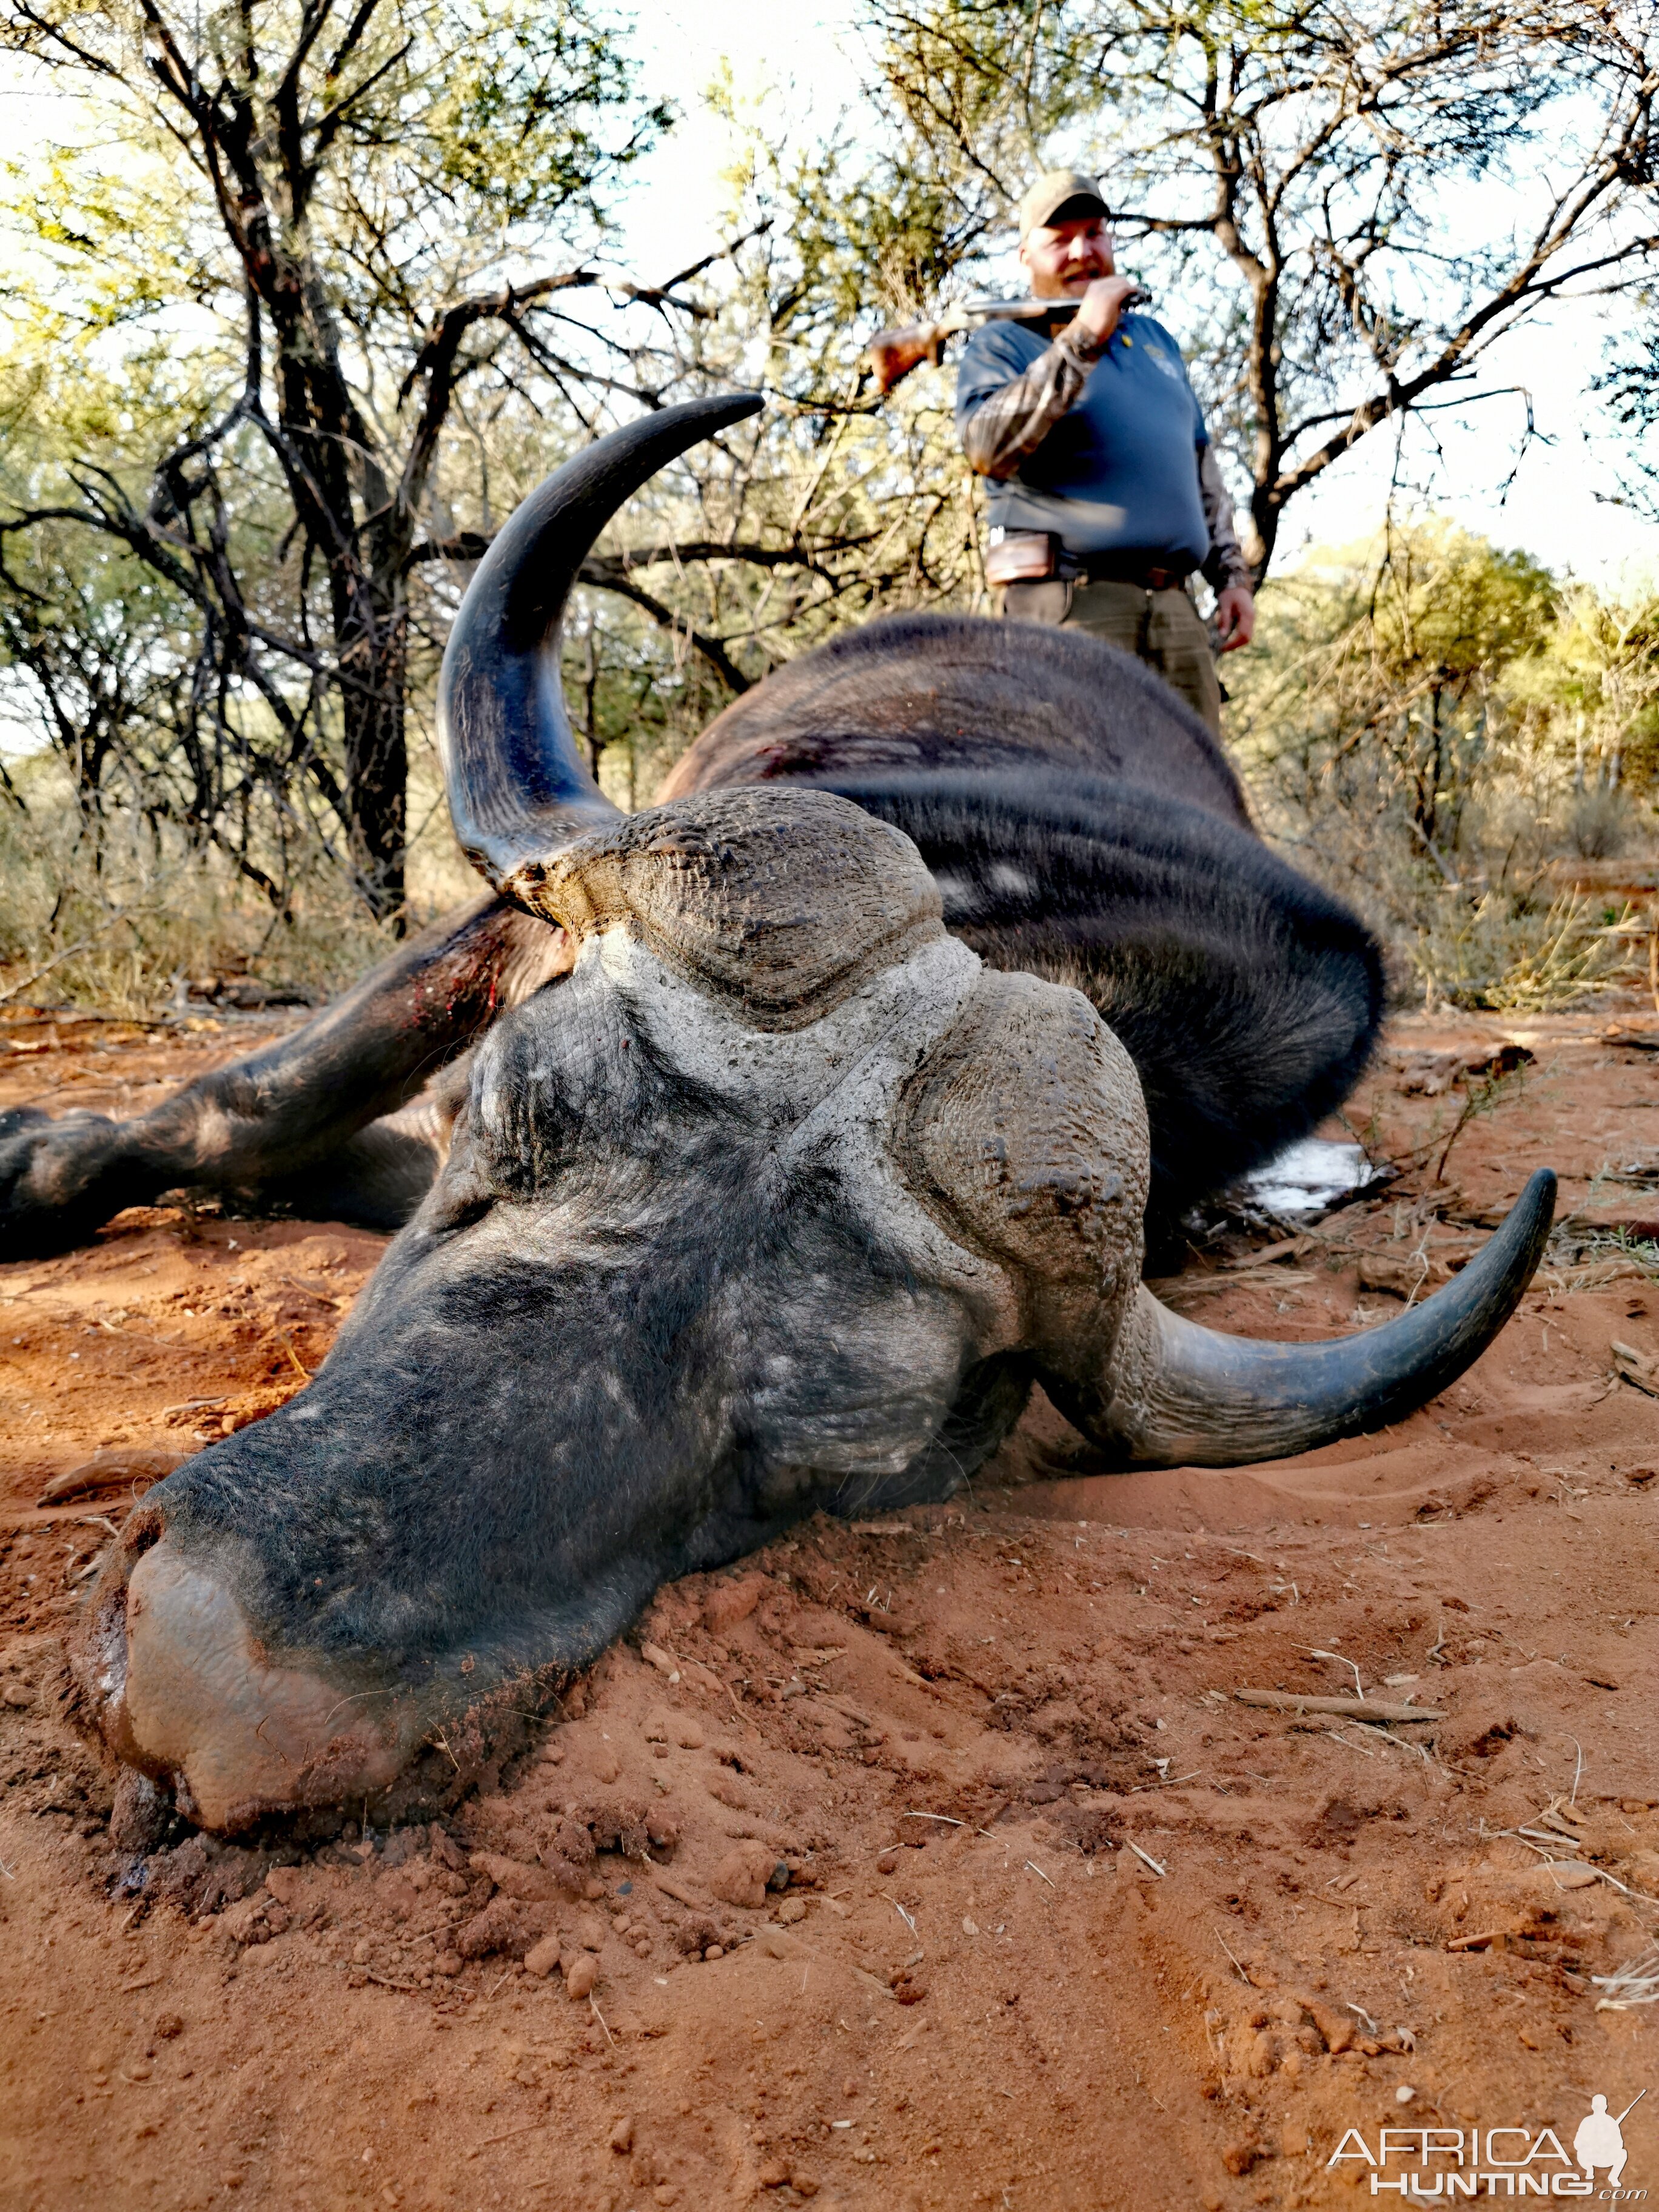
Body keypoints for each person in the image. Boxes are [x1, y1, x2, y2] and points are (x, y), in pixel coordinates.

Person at [956, 167, 1255, 737]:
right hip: (1071, 609)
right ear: (1025, 256)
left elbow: (1200, 469)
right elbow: (988, 448)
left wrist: (1232, 578)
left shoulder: (1156, 342)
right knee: (1078, 806)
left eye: (1094, 234)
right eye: (1059, 240)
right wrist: (1082, 339)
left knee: (1195, 806)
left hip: (1175, 611)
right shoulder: (1001, 342)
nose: (1080, 252)